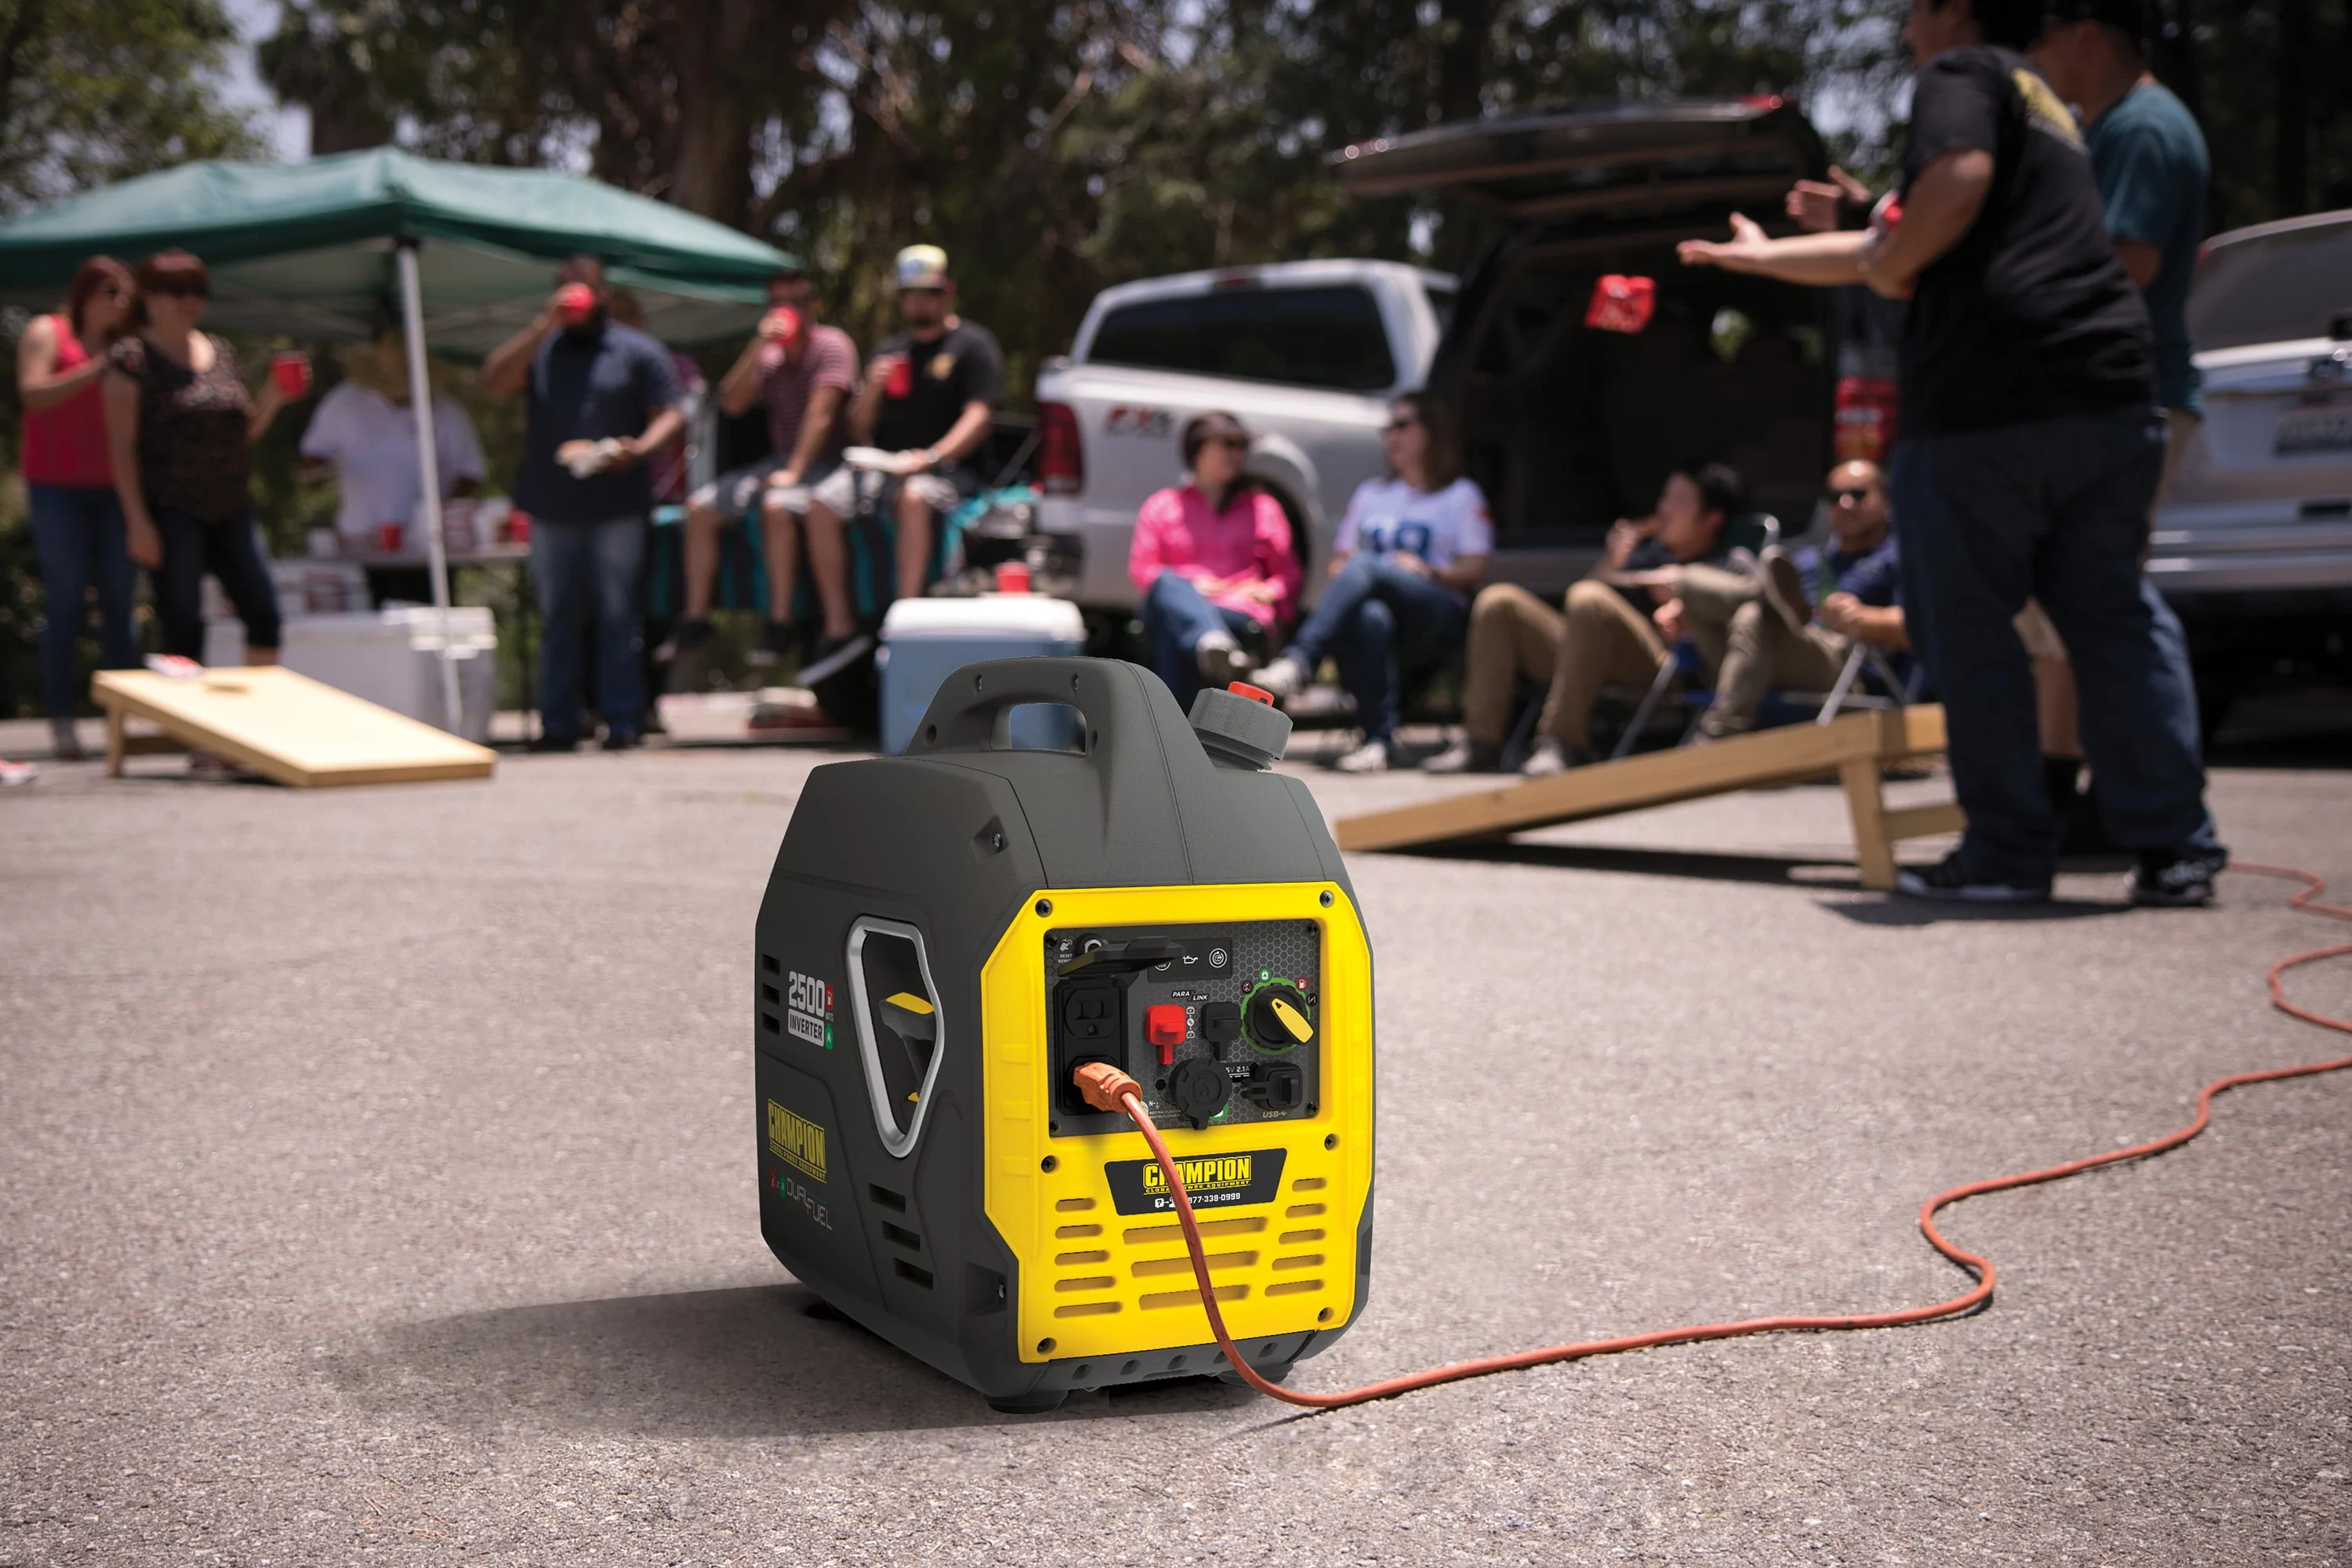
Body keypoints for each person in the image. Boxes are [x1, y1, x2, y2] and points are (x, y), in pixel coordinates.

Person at [1679, 0, 2224, 906]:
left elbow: (1944, 196)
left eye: (1914, 12)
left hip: (1992, 404)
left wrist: (1891, 263)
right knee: (2112, 617)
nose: (1905, 34)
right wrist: (1766, 258)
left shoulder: (1963, 73)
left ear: (1956, 11)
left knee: (1967, 625)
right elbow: (1907, 231)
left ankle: (2007, 852)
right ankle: (2176, 850)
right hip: (2111, 397)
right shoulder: (2049, 108)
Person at [2024, 0, 2213, 837]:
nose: (2036, 56)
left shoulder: (2142, 127)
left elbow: (2128, 261)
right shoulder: (2111, 125)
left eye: (2043, 38)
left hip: (2131, 398)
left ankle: (2136, 806)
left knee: (2100, 604)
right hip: (2114, 398)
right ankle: (2068, 794)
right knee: (2071, 605)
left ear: (2086, 34)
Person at [1426, 463, 1748, 776]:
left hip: (1663, 668)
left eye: (1678, 502)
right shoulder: (1648, 553)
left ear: (1711, 519)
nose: (1664, 509)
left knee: (1590, 598)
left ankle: (1563, 741)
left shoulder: (1729, 564)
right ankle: (1480, 741)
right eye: (1664, 498)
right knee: (1499, 602)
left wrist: (1685, 602)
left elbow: (1748, 620)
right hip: (1587, 659)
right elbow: (1581, 605)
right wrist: (1612, 561)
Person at [483, 256, 684, 752]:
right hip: (551, 506)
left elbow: (673, 413)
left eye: (583, 288)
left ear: (603, 295)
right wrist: (543, 325)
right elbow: (495, 380)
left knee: (619, 614)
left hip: (618, 503)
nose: (575, 297)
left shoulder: (635, 350)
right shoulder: (544, 349)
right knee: (558, 617)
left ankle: (623, 721)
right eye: (566, 288)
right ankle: (559, 723)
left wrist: (640, 448)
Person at [1248, 392, 1490, 773]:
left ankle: (1300, 660)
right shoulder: (1372, 494)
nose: (1391, 436)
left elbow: (1476, 566)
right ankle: (1378, 741)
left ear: (1431, 431)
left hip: (1435, 608)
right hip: (1381, 610)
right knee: (1369, 615)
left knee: (1368, 567)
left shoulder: (1459, 495)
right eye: (1387, 429)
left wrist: (1428, 571)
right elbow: (1340, 561)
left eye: (1402, 425)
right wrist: (1352, 574)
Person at [800, 245, 1003, 679]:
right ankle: (838, 627)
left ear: (948, 292)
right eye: (911, 294)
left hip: (948, 470)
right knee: (820, 502)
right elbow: (858, 427)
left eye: (929, 293)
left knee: (913, 497)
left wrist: (930, 458)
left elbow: (979, 417)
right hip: (886, 465)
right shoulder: (890, 350)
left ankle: (902, 621)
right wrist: (871, 390)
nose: (920, 302)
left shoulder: (972, 345)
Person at [102, 251, 293, 681]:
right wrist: (137, 522)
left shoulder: (219, 350)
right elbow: (121, 447)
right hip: (172, 508)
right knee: (182, 626)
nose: (189, 301)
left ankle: (256, 718)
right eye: (176, 291)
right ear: (149, 296)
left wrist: (274, 397)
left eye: (197, 291)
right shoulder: (131, 357)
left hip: (232, 505)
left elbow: (240, 432)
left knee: (264, 615)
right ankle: (186, 722)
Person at [663, 266, 858, 674]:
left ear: (813, 306)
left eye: (796, 303)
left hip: (831, 461)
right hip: (780, 461)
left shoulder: (833, 344)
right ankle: (696, 618)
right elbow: (732, 403)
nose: (787, 311)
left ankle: (781, 622)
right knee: (699, 509)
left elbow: (821, 415)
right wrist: (758, 343)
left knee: (775, 506)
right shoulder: (768, 355)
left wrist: (795, 472)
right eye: (778, 303)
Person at [16, 255, 138, 760]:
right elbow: (33, 395)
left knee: (121, 605)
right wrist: (93, 371)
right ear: (86, 293)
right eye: (110, 293)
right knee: (67, 599)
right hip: (56, 488)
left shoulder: (126, 347)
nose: (119, 304)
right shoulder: (49, 332)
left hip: (115, 490)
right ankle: (62, 720)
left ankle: (122, 723)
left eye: (125, 296)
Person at [1693, 459, 1907, 740]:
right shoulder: (1806, 560)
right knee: (1687, 581)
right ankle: (1768, 597)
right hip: (1785, 647)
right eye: (1834, 497)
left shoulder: (1898, 558)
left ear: (1885, 499)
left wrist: (1859, 617)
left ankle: (1719, 733)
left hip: (1846, 661)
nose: (1845, 504)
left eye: (1858, 494)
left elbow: (1916, 627)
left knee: (1753, 616)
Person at [298, 323, 485, 605]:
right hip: (360, 543)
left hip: (427, 548)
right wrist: (318, 471)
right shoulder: (343, 403)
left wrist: (444, 516)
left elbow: (470, 470)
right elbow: (312, 459)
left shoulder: (445, 410)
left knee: (429, 620)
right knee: (368, 624)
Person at [1128, 412, 1302, 710]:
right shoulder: (1162, 506)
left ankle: (1175, 729)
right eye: (1227, 444)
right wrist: (1193, 587)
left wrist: (1270, 590)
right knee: (1169, 583)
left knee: (1175, 630)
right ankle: (1211, 641)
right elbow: (1142, 570)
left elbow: (1289, 574)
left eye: (1242, 446)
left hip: (1236, 609)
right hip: (1178, 602)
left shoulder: (1262, 507)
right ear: (1198, 449)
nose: (1237, 454)